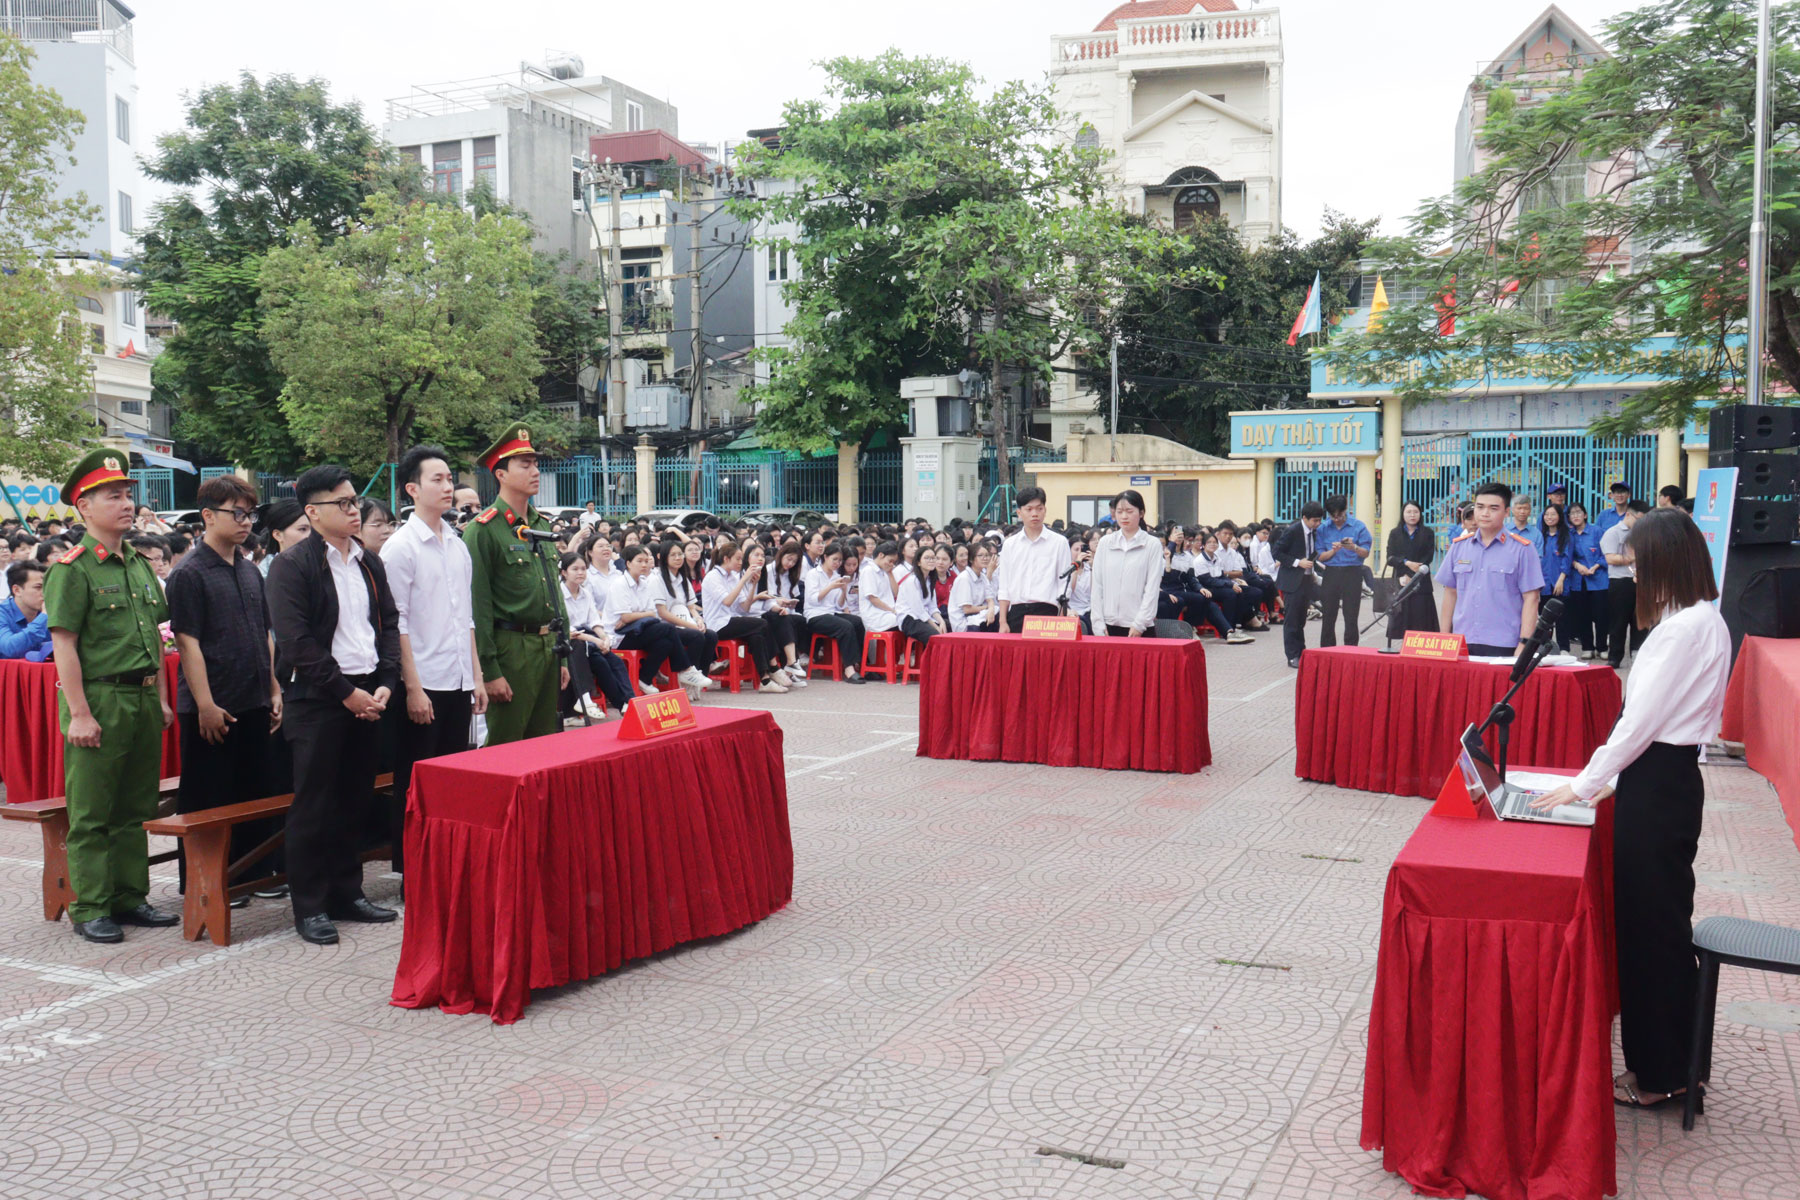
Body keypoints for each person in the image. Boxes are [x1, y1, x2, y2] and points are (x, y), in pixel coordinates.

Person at [1525, 508, 1730, 1111]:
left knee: (1652, 931)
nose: (1633, 572)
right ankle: (1677, 1063)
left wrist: (1585, 784)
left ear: (1669, 559)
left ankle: (1662, 1073)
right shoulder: (1695, 620)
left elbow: (1639, 725)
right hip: (1664, 779)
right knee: (1657, 925)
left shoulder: (1683, 629)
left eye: (1640, 561)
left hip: (1659, 782)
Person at [43, 449, 178, 943]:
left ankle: (129, 896)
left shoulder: (139, 565)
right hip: (99, 699)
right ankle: (92, 905)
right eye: (112, 496)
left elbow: (156, 637)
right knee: (92, 810)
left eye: (127, 494)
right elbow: (65, 644)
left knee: (135, 806)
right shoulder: (72, 569)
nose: (126, 504)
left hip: (142, 699)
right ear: (84, 507)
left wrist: (161, 697)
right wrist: (78, 712)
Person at [265, 464, 401, 946]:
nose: (353, 510)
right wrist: (347, 694)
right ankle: (310, 906)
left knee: (354, 799)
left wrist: (385, 681)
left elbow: (386, 624)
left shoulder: (367, 561)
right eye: (342, 504)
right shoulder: (292, 565)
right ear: (312, 512)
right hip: (319, 698)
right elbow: (298, 643)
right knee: (314, 803)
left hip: (368, 692)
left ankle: (349, 892)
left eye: (354, 502)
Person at [166, 474, 285, 904]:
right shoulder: (190, 574)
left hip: (253, 698)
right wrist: (205, 704)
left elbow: (265, 634)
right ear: (207, 516)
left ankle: (252, 872)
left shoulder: (250, 570)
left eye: (249, 513)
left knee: (256, 792)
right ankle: (203, 881)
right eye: (237, 513)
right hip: (213, 706)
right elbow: (187, 642)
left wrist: (273, 687)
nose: (245, 522)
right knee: (207, 798)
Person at [382, 446, 487, 875]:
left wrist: (477, 677)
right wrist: (413, 687)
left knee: (450, 778)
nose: (448, 487)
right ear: (412, 488)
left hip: (458, 679)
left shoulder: (457, 546)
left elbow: (466, 618)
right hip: (423, 682)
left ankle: (443, 866)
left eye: (449, 479)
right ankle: (411, 870)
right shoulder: (400, 548)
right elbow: (397, 624)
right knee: (415, 783)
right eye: (437, 480)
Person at [466, 426, 571, 746]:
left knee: (544, 742)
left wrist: (563, 656)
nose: (535, 471)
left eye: (535, 463)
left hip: (547, 648)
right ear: (501, 474)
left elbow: (555, 594)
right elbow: (478, 608)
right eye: (524, 465)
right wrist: (489, 671)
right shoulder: (483, 530)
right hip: (511, 650)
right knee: (506, 742)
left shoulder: (540, 526)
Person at [1434, 481, 1545, 657]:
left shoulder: (1523, 549)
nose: (1485, 513)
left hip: (1505, 643)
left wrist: (1524, 643)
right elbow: (1450, 593)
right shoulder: (1459, 547)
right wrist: (1444, 637)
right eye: (1480, 507)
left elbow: (1531, 599)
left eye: (1493, 508)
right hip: (1462, 640)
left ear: (1506, 512)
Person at [603, 544, 699, 691]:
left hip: (639, 630)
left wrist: (637, 616)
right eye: (639, 561)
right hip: (620, 637)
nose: (644, 564)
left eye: (646, 561)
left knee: (665, 643)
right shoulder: (619, 584)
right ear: (628, 563)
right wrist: (639, 615)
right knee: (666, 628)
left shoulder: (643, 583)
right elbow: (627, 617)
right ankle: (685, 669)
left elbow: (652, 613)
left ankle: (644, 679)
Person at [1088, 490, 1163, 637]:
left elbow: (1152, 589)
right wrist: (1097, 622)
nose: (1124, 516)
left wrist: (1140, 624)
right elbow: (1097, 585)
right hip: (1108, 626)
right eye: (1119, 511)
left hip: (1138, 627)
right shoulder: (1105, 543)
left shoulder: (1151, 544)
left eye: (1129, 511)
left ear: (1141, 513)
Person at [996, 488, 1070, 632]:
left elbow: (1063, 585)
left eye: (1039, 508)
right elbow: (1004, 585)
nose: (1034, 514)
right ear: (1019, 513)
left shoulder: (1059, 542)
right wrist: (1003, 621)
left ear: (1045, 510)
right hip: (1017, 613)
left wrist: (1061, 618)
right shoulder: (1010, 544)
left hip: (1047, 612)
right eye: (1029, 509)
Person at [1313, 494, 1371, 647]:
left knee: (1351, 616)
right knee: (1328, 615)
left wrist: (1354, 547)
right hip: (1331, 573)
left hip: (1352, 572)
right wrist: (1333, 551)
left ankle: (1351, 651)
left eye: (1340, 515)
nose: (1337, 519)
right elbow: (1320, 557)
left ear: (1346, 509)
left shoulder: (1358, 526)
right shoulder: (1323, 528)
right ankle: (1327, 651)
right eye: (1333, 516)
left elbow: (1366, 552)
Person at [803, 542, 867, 681]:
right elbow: (813, 600)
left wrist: (843, 590)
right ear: (825, 557)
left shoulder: (836, 575)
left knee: (857, 622)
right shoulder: (813, 574)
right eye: (834, 559)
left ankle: (862, 664)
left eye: (839, 560)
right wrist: (830, 587)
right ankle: (849, 668)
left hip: (831, 612)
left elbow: (839, 605)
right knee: (845, 626)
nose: (837, 563)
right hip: (815, 615)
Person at [1273, 502, 1327, 668]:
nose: (1317, 524)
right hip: (1292, 580)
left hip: (1306, 580)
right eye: (1315, 521)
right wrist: (1297, 562)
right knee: (1291, 620)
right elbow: (1276, 552)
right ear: (1305, 518)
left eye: (1319, 521)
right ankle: (1292, 655)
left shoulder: (1315, 532)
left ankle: (1301, 651)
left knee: (1301, 619)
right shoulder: (1293, 531)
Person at [1603, 500, 1652, 668]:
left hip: (1642, 580)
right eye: (1639, 519)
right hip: (1620, 582)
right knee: (1618, 620)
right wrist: (1636, 557)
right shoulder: (1613, 533)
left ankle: (1637, 654)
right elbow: (1611, 558)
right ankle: (1615, 657)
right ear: (1629, 514)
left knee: (1641, 619)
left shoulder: (1645, 534)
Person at [1383, 500, 1439, 639]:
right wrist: (1406, 563)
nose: (1412, 515)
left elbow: (1428, 557)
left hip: (1421, 581)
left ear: (1420, 514)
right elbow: (1390, 558)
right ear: (1403, 514)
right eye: (1408, 512)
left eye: (1415, 512)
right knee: (1401, 622)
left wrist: (1413, 575)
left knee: (1421, 622)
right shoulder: (1395, 533)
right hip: (1401, 581)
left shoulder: (1428, 533)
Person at [1565, 502, 1610, 659]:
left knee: (1601, 615)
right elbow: (1565, 556)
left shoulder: (1597, 531)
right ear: (1569, 518)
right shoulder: (1568, 535)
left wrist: (1596, 566)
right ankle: (1587, 647)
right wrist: (1577, 565)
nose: (1576, 516)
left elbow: (1607, 552)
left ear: (1585, 515)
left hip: (1599, 579)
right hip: (1578, 580)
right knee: (1582, 615)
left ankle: (1602, 647)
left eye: (1579, 512)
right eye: (1572, 513)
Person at [0, 560, 53, 661]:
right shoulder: (2, 613)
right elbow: (10, 648)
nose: (45, 593)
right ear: (17, 590)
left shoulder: (51, 612)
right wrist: (44, 616)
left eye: (48, 586)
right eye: (38, 587)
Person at [1539, 503, 1575, 649]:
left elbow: (1567, 560)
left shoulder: (1566, 536)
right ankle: (1543, 648)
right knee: (1543, 619)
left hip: (1559, 583)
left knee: (1562, 619)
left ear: (1560, 517)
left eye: (1553, 514)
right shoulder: (1540, 536)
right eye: (1547, 514)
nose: (1549, 517)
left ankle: (1564, 648)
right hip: (1542, 584)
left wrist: (1561, 580)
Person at [948, 541, 999, 632]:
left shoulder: (982, 576)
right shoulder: (964, 578)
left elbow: (990, 599)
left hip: (977, 614)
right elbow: (967, 609)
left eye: (987, 555)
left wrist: (991, 609)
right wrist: (987, 608)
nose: (985, 558)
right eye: (981, 555)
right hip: (964, 621)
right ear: (971, 559)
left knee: (998, 614)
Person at [258, 501, 311, 577]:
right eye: (302, 529)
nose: (311, 535)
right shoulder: (265, 575)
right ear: (278, 535)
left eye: (314, 530)